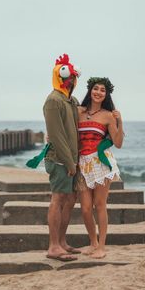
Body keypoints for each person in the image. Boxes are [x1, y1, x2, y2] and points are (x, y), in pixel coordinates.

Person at [76, 77, 124, 259]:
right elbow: (67, 130)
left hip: (101, 163)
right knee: (86, 208)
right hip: (82, 163)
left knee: (100, 205)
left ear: (106, 94)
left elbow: (118, 143)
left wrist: (121, 121)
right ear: (90, 90)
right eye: (95, 88)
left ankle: (101, 246)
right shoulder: (78, 112)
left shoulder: (108, 115)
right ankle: (92, 243)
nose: (98, 92)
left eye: (102, 90)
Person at [43, 53, 81, 261]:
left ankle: (63, 242)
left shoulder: (71, 100)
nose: (73, 81)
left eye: (75, 77)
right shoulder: (53, 101)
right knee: (57, 199)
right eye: (70, 77)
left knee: (70, 199)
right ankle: (53, 246)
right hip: (59, 159)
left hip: (72, 159)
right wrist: (69, 162)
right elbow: (56, 136)